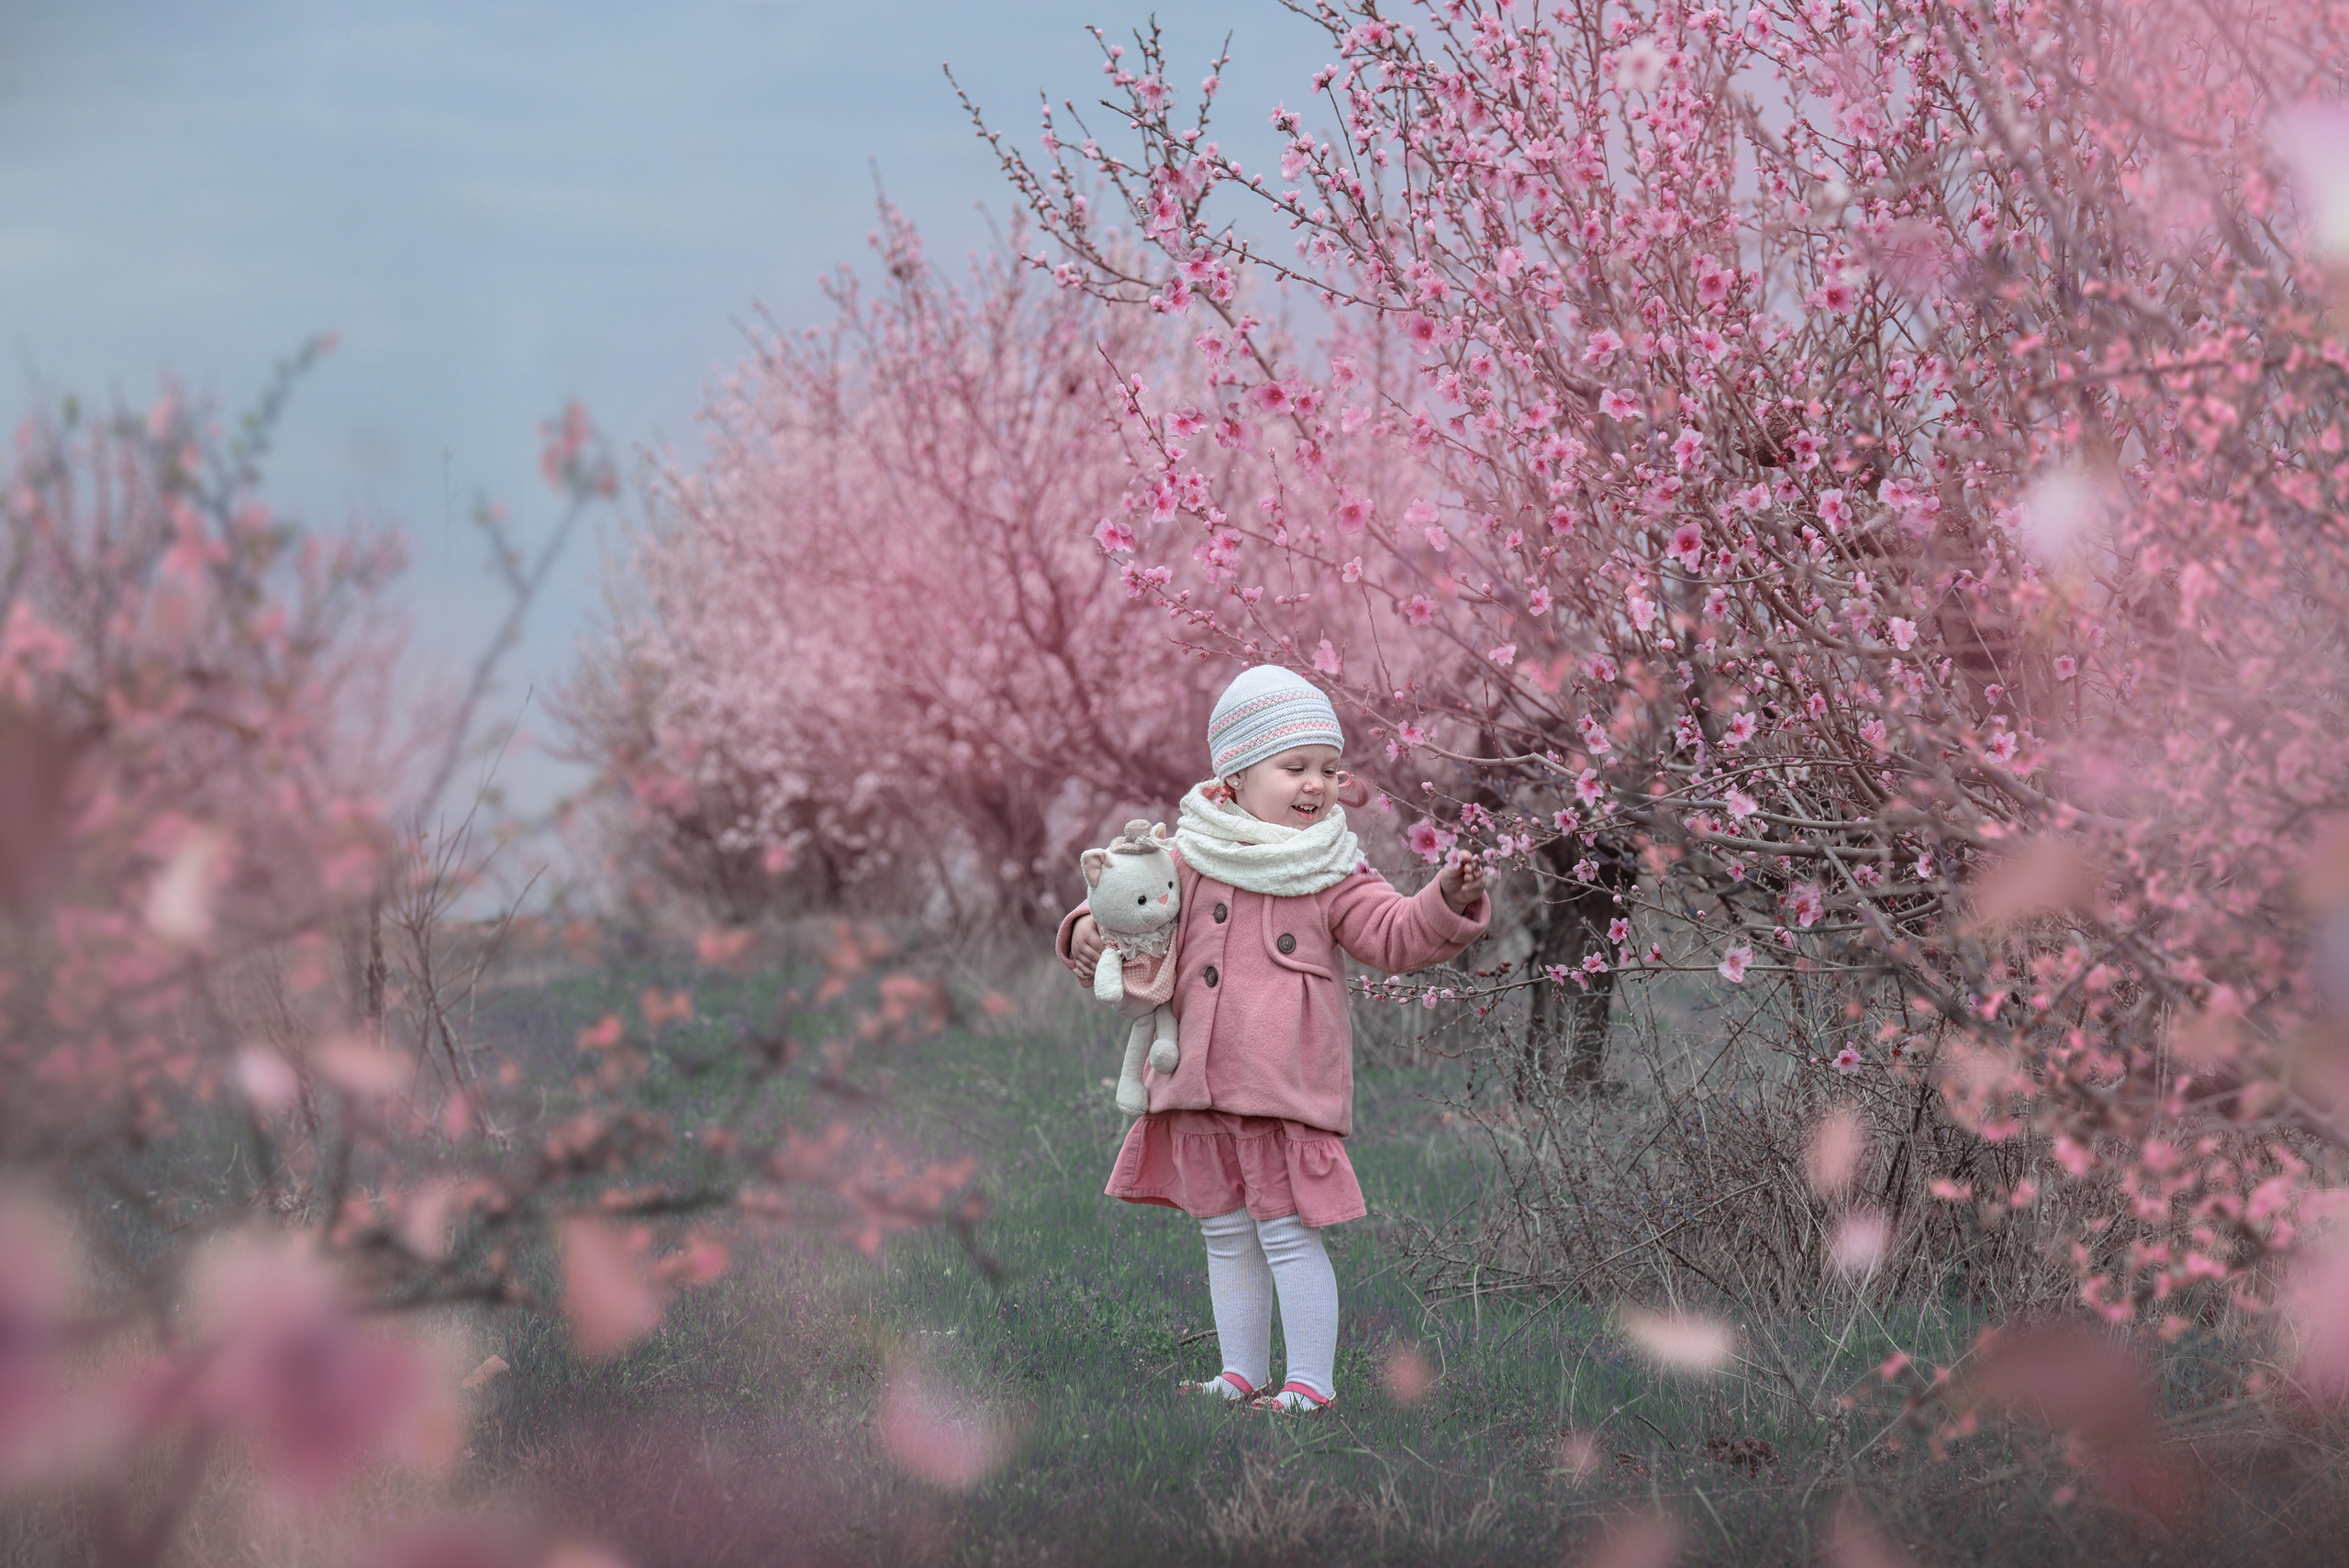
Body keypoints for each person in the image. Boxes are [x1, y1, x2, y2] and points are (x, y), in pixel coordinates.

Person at [1059, 664, 1488, 1411]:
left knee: (1288, 1235)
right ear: (1232, 779)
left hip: (1282, 1088)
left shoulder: (1328, 868)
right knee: (1225, 1233)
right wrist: (1089, 930)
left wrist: (1445, 901)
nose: (1315, 785)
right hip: (1198, 1082)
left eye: (1327, 768)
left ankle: (1310, 1384)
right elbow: (1127, 902)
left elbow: (1392, 934)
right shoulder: (1186, 857)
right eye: (1294, 768)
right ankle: (1239, 1373)